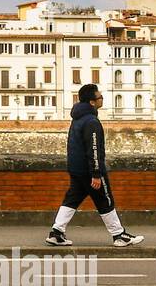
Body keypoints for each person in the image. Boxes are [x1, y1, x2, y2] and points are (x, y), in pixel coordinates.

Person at [46, 83, 144, 247]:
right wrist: (96, 173)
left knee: (72, 200)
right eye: (100, 97)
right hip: (89, 171)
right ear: (92, 102)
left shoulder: (77, 119)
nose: (102, 99)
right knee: (105, 200)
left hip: (76, 169)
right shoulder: (92, 122)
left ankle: (57, 232)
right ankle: (119, 235)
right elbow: (94, 149)